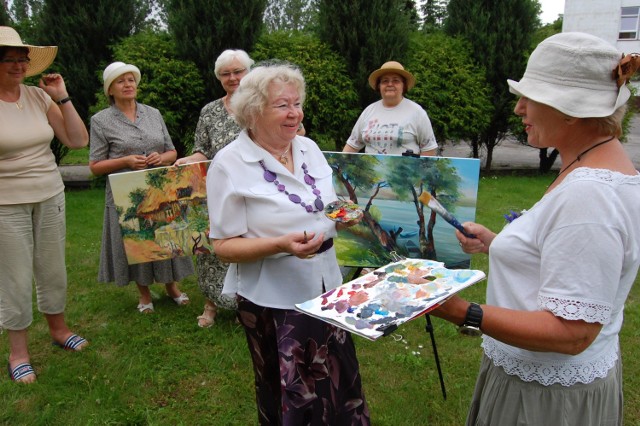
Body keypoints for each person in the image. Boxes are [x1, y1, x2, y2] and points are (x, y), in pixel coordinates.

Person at [431, 32, 640, 425]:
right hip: (543, 384)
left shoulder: (589, 194)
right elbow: (570, 262)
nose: (519, 109)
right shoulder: (591, 167)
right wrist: (498, 243)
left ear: (571, 109)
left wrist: (459, 310)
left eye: (531, 98)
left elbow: (572, 332)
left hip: (545, 400)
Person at [206, 63, 370, 424]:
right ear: (253, 111)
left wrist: (345, 213)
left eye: (297, 103)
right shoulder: (229, 164)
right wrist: (280, 244)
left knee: (337, 380)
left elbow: (321, 203)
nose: (295, 112)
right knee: (291, 390)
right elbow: (222, 245)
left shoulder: (308, 147)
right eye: (282, 105)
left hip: (327, 288)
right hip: (274, 299)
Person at [0, 26, 89, 383]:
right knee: (14, 277)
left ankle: (58, 331)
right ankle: (17, 352)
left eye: (22, 59)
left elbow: (77, 139)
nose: (20, 65)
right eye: (10, 60)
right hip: (6, 203)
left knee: (52, 268)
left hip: (50, 193)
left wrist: (62, 96)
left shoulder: (38, 98)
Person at [89, 62, 193, 314]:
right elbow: (95, 165)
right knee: (137, 242)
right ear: (110, 89)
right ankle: (144, 294)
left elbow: (172, 151)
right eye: (121, 81)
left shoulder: (153, 113)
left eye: (131, 80)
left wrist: (163, 157)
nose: (128, 85)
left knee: (165, 238)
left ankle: (172, 287)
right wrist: (125, 161)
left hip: (159, 188)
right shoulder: (101, 121)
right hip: (126, 192)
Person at [174, 49, 254, 328]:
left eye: (237, 71)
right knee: (213, 246)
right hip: (218, 190)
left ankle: (247, 304)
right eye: (225, 73)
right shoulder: (209, 111)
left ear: (248, 72)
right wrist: (189, 159)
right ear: (219, 77)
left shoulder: (261, 103)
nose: (232, 78)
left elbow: (291, 133)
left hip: (254, 190)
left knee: (248, 246)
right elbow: (202, 150)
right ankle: (211, 304)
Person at [343, 61, 437, 156]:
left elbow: (429, 149)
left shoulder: (417, 112)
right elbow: (352, 145)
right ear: (379, 86)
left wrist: (420, 170)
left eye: (396, 81)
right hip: (371, 170)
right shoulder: (368, 111)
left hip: (405, 170)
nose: (390, 84)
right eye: (385, 81)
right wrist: (340, 165)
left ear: (403, 86)